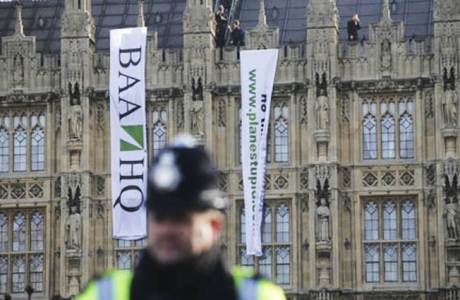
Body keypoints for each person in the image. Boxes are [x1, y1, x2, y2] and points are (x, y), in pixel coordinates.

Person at [76, 135, 286, 300]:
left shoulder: (258, 296)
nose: (166, 229)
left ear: (213, 225)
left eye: (179, 218)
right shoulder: (103, 295)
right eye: (160, 217)